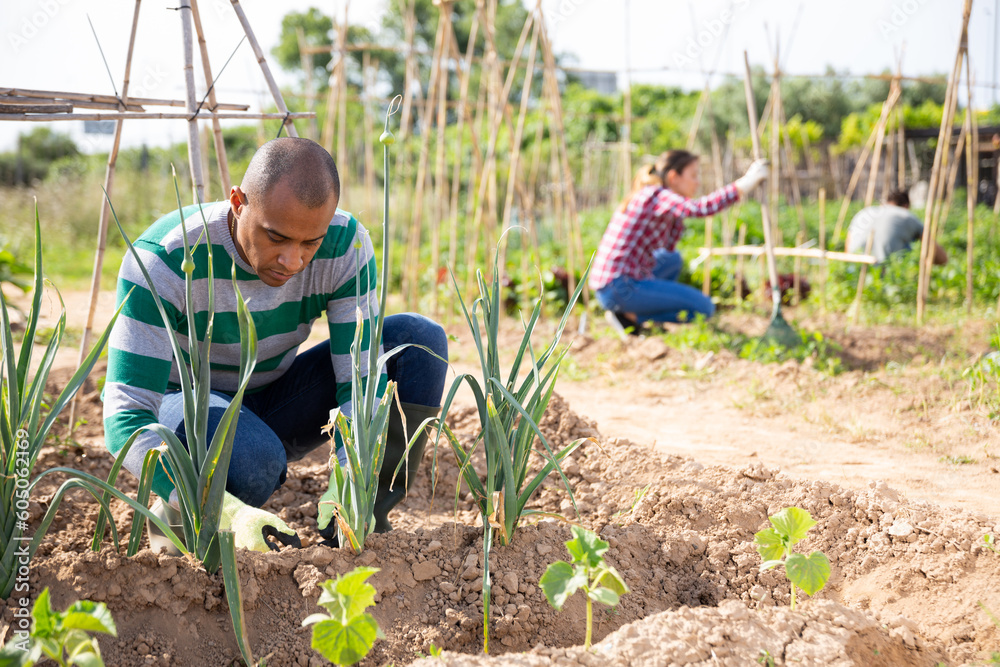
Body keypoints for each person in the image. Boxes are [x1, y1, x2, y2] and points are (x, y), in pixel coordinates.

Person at [102, 137, 448, 552]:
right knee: (253, 463)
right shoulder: (165, 259)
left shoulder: (345, 243)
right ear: (238, 203)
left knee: (416, 343)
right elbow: (125, 415)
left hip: (273, 395)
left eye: (310, 243)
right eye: (276, 237)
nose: (293, 261)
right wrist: (225, 511)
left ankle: (357, 524)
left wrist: (350, 475)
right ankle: (184, 516)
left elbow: (362, 382)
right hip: (187, 405)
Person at [589, 150, 769, 335]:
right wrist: (746, 183)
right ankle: (631, 317)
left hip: (614, 284)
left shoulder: (656, 196)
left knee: (671, 259)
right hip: (620, 287)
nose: (697, 182)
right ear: (673, 177)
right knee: (704, 308)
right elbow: (700, 208)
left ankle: (635, 310)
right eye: (693, 175)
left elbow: (668, 247)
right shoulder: (658, 195)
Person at [846, 189, 947, 265]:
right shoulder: (905, 215)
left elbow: (848, 247)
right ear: (906, 206)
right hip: (884, 271)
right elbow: (941, 258)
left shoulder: (865, 212)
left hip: (852, 268)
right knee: (907, 249)